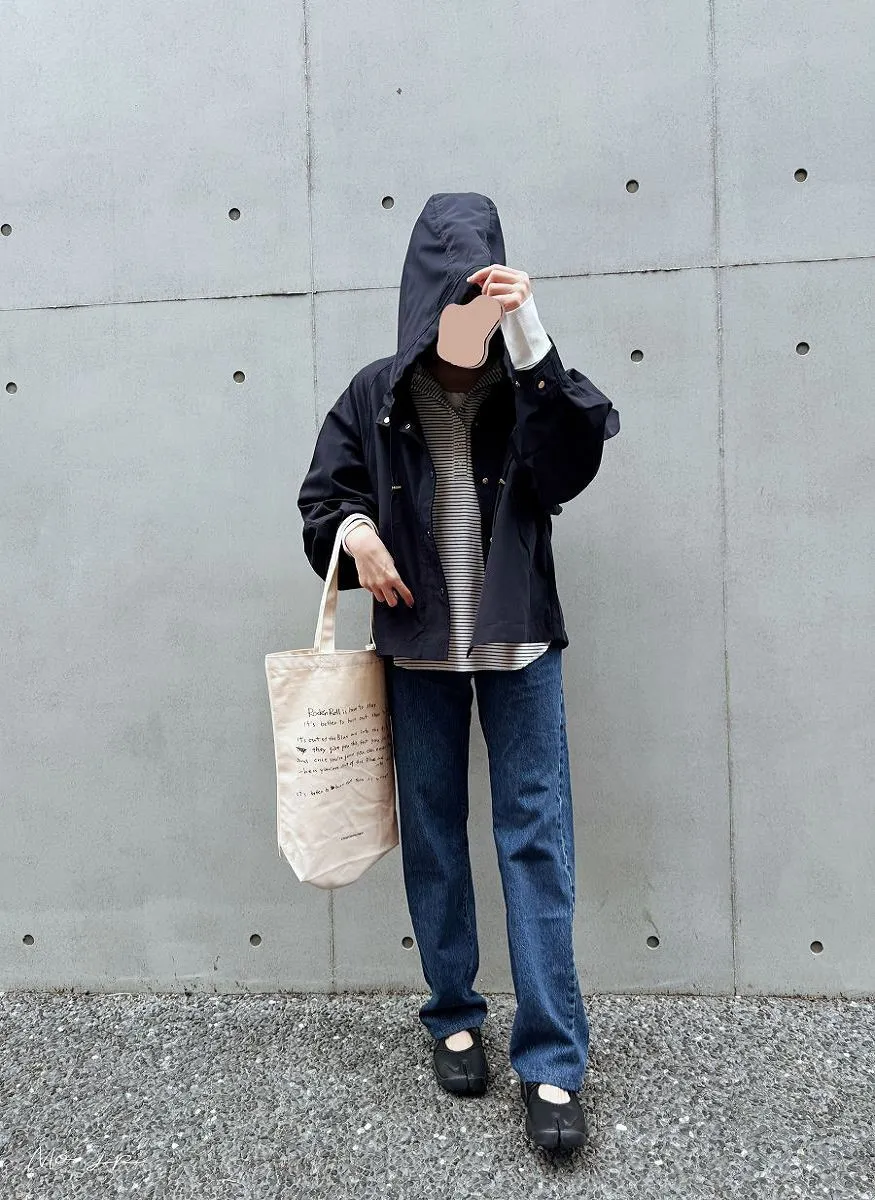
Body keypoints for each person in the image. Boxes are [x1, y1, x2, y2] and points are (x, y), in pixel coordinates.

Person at [297, 191, 620, 1151]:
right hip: (418, 649)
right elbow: (323, 497)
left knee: (535, 842)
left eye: (482, 292)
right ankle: (453, 1015)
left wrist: (532, 337)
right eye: (454, 296)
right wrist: (357, 533)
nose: (468, 311)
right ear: (422, 297)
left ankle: (551, 1063)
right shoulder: (375, 392)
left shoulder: (528, 384)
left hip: (518, 646)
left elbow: (568, 469)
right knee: (434, 835)